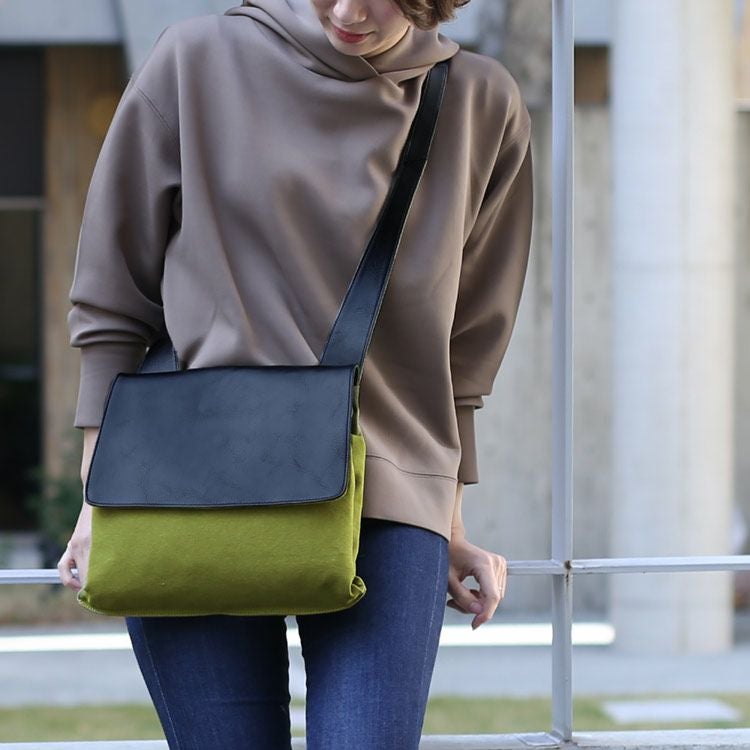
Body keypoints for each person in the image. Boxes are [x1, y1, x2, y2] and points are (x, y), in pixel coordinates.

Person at [57, 0, 534, 747]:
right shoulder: (194, 61)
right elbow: (113, 296)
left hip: (388, 500)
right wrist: (100, 496)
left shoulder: (480, 101)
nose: (347, 10)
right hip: (187, 488)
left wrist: (448, 518)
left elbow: (465, 346)